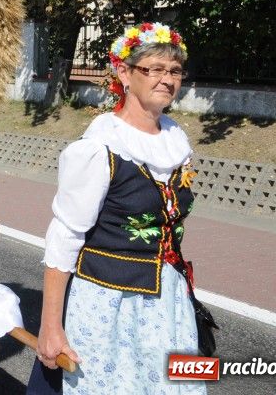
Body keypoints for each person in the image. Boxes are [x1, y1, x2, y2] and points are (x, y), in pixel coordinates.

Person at [32, 23, 202, 394]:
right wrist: (50, 326)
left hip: (170, 301)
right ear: (125, 73)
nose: (167, 80)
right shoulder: (99, 148)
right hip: (109, 303)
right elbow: (65, 237)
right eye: (154, 69)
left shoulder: (176, 139)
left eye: (174, 71)